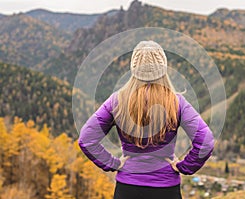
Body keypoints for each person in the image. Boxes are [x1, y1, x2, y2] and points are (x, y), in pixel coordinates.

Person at [78, 40, 215, 199]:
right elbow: (206, 141)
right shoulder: (176, 102)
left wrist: (113, 163)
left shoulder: (117, 100)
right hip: (166, 189)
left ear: (133, 68)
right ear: (163, 68)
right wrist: (183, 166)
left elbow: (86, 139)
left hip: (127, 189)